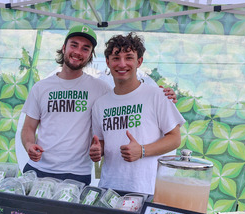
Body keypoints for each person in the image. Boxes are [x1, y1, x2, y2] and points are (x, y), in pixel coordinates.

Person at [21, 25, 177, 185]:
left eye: (85, 48)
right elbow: (28, 128)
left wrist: (164, 95)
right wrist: (29, 145)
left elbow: (128, 95)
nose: (78, 52)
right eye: (74, 45)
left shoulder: (100, 89)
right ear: (63, 47)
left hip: (77, 174)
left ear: (90, 55)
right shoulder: (40, 87)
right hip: (36, 169)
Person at [89, 33, 185, 194]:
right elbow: (103, 143)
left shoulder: (157, 96)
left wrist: (142, 151)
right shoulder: (100, 104)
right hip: (109, 190)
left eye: (129, 57)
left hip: (146, 190)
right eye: (116, 58)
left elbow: (175, 139)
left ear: (139, 61)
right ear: (107, 62)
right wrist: (97, 151)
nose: (122, 64)